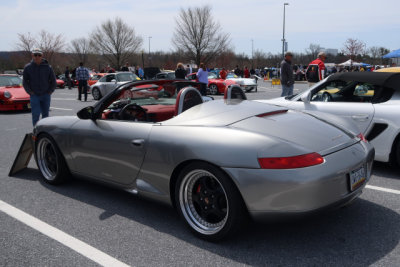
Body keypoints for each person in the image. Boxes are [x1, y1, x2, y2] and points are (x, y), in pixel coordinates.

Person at [22, 48, 56, 126]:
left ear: (42, 56)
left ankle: (44, 132)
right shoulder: (28, 67)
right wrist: (30, 92)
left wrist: (49, 92)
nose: (37, 57)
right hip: (34, 95)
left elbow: (53, 81)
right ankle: (35, 132)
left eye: (39, 55)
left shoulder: (48, 67)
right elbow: (25, 82)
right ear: (32, 55)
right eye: (35, 55)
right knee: (35, 115)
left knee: (45, 115)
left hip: (46, 95)